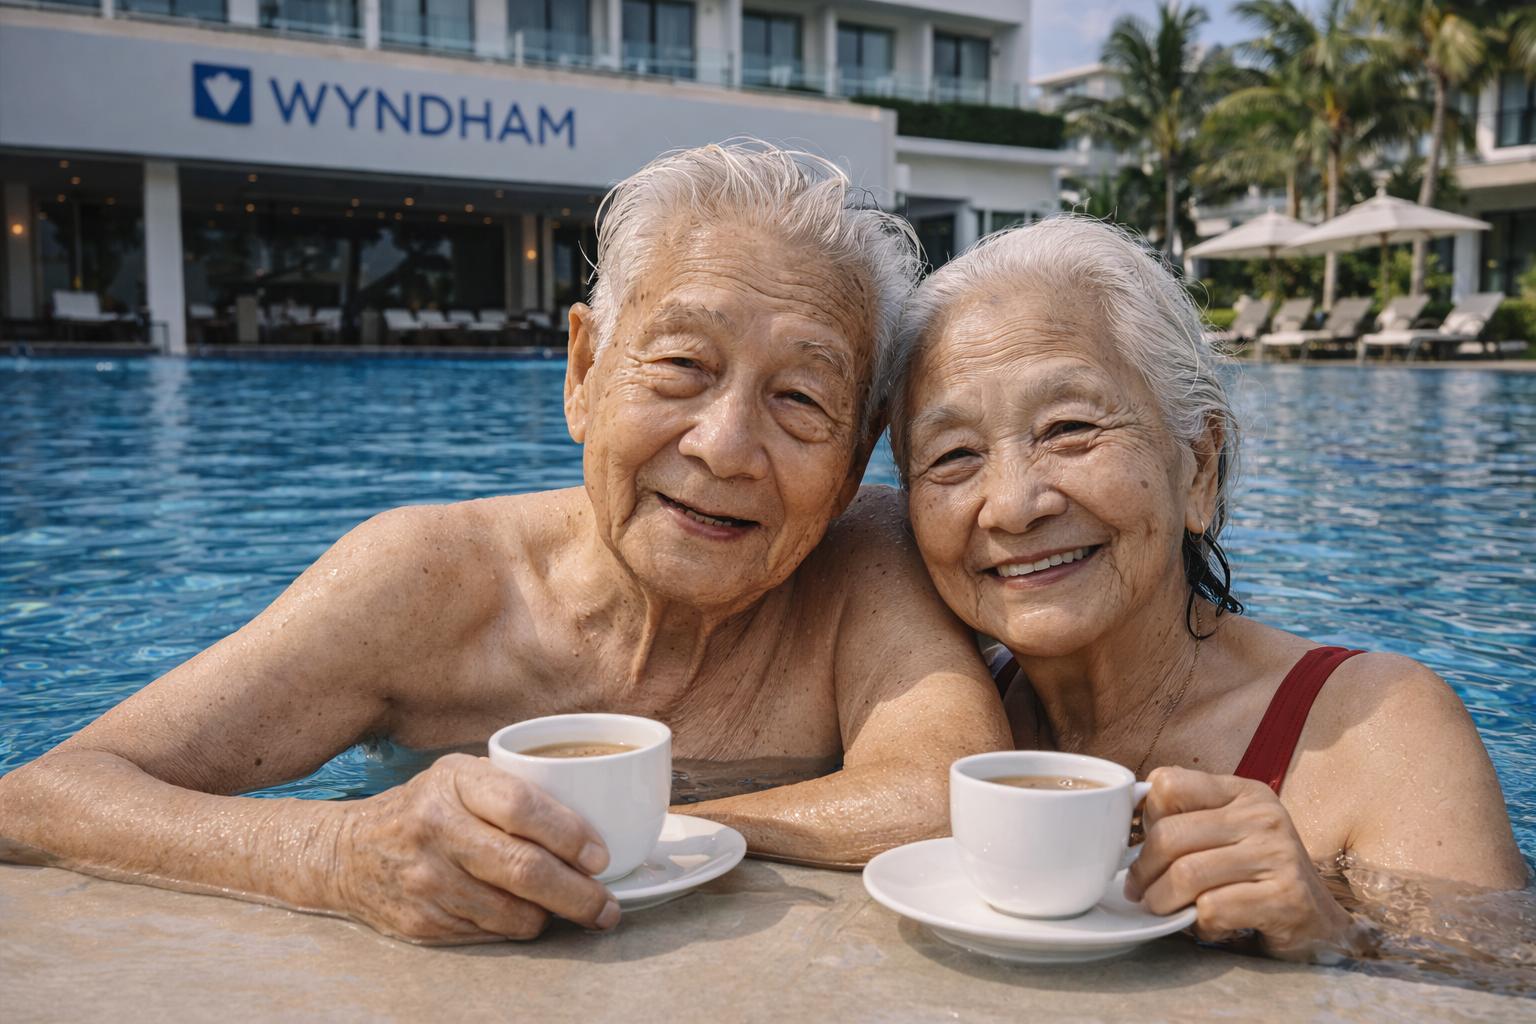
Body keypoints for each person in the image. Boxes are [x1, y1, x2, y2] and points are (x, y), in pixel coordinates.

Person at [0, 142, 1011, 944]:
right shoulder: (426, 579)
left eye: (799, 398)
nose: (725, 445)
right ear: (583, 373)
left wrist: (635, 834)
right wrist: (340, 851)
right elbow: (44, 795)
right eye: (682, 365)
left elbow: (949, 794)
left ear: (854, 461)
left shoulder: (864, 559)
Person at [884, 216, 1527, 961]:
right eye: (953, 455)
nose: (1013, 505)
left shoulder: (1379, 730)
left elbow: (1506, 983)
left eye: (1067, 428)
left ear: (1199, 467)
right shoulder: (933, 719)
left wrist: (1341, 936)